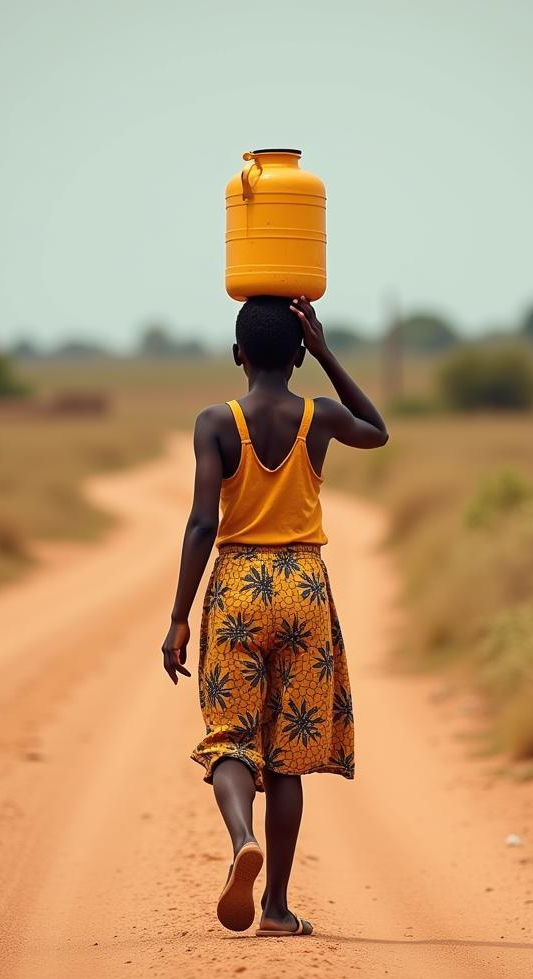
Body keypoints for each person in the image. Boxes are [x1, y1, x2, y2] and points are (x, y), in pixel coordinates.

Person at [161, 295, 388, 936]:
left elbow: (204, 521)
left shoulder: (215, 421)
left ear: (237, 355)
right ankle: (279, 909)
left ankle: (241, 840)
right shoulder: (319, 416)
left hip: (235, 586)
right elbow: (377, 430)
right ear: (296, 354)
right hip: (303, 587)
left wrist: (179, 617)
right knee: (288, 755)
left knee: (231, 737)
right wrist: (325, 352)